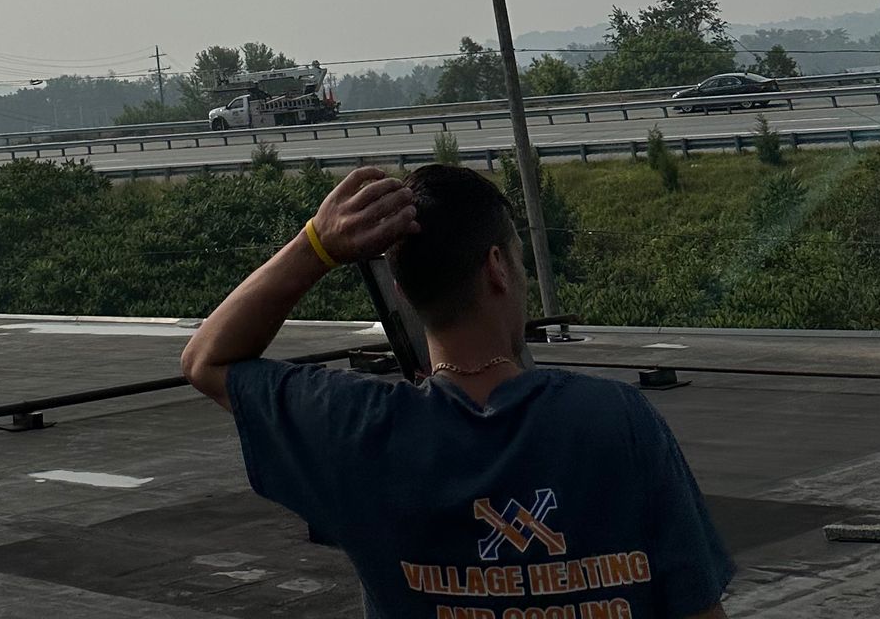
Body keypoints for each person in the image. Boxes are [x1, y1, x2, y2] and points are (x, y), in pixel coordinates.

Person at [181, 161, 732, 618]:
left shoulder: (355, 429)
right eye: (516, 258)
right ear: (496, 267)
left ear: (402, 291)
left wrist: (317, 246)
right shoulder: (619, 420)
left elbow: (207, 359)